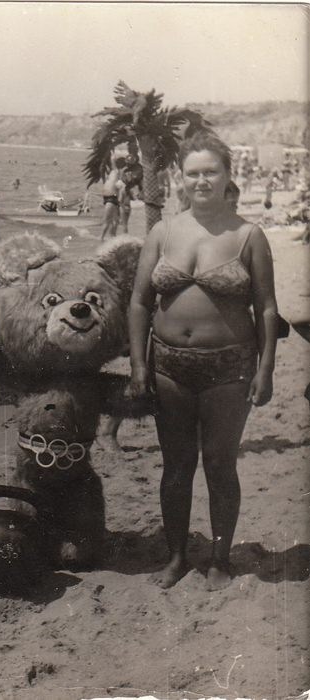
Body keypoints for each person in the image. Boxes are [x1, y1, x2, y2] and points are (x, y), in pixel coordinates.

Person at [129, 131, 278, 591]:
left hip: (229, 368)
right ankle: (175, 557)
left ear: (228, 174)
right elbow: (138, 302)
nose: (201, 180)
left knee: (219, 463)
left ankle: (218, 557)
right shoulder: (163, 232)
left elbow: (267, 308)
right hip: (169, 365)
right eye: (192, 172)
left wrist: (266, 368)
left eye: (210, 171)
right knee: (176, 465)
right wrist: (138, 364)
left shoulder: (249, 236)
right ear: (179, 178)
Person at [101, 155, 126, 241]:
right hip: (111, 198)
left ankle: (107, 237)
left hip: (110, 198)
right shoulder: (114, 172)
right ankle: (105, 238)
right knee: (111, 221)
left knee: (111, 221)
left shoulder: (113, 173)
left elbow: (112, 163)